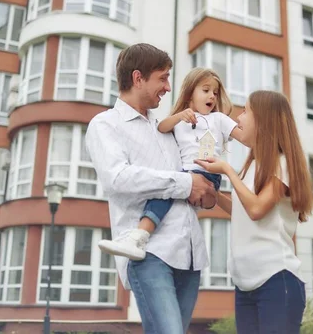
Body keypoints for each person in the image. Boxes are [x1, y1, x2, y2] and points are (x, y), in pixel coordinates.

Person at [86, 43, 217, 334]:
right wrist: (185, 184)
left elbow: (192, 183)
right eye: (163, 78)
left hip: (190, 254)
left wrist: (206, 193)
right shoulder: (105, 125)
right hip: (149, 255)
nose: (168, 87)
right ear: (138, 78)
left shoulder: (167, 128)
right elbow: (117, 178)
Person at [195, 90, 313, 334]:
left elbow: (257, 209)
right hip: (245, 284)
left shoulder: (283, 164)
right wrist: (213, 194)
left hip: (276, 280)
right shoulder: (252, 166)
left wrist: (227, 171)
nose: (240, 116)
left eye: (246, 111)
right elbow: (242, 210)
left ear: (264, 119)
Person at [98, 67, 244, 260]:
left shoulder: (218, 119)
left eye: (215, 93)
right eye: (206, 90)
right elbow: (161, 127)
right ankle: (139, 236)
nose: (212, 96)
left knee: (171, 191)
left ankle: (138, 236)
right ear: (190, 93)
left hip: (208, 175)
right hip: (184, 176)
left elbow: (245, 138)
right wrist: (180, 116)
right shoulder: (180, 121)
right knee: (165, 192)